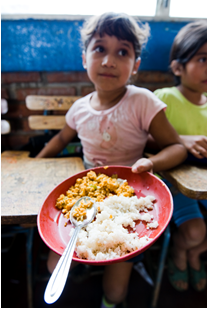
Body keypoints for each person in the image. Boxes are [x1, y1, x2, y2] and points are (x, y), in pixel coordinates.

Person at [36, 12, 187, 307]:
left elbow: (177, 148)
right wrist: (36, 162)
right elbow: (60, 140)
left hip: (128, 199)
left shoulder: (142, 101)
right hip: (87, 198)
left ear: (135, 66)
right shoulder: (79, 108)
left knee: (117, 293)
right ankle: (85, 267)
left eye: (122, 52)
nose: (108, 61)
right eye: (99, 49)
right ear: (84, 58)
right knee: (53, 267)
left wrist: (151, 163)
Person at [154, 20, 207, 292]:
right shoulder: (164, 99)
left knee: (201, 236)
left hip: (204, 184)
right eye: (203, 59)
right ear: (178, 67)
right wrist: (181, 141)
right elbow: (144, 139)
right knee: (196, 232)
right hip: (175, 184)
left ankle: (195, 254)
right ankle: (179, 252)